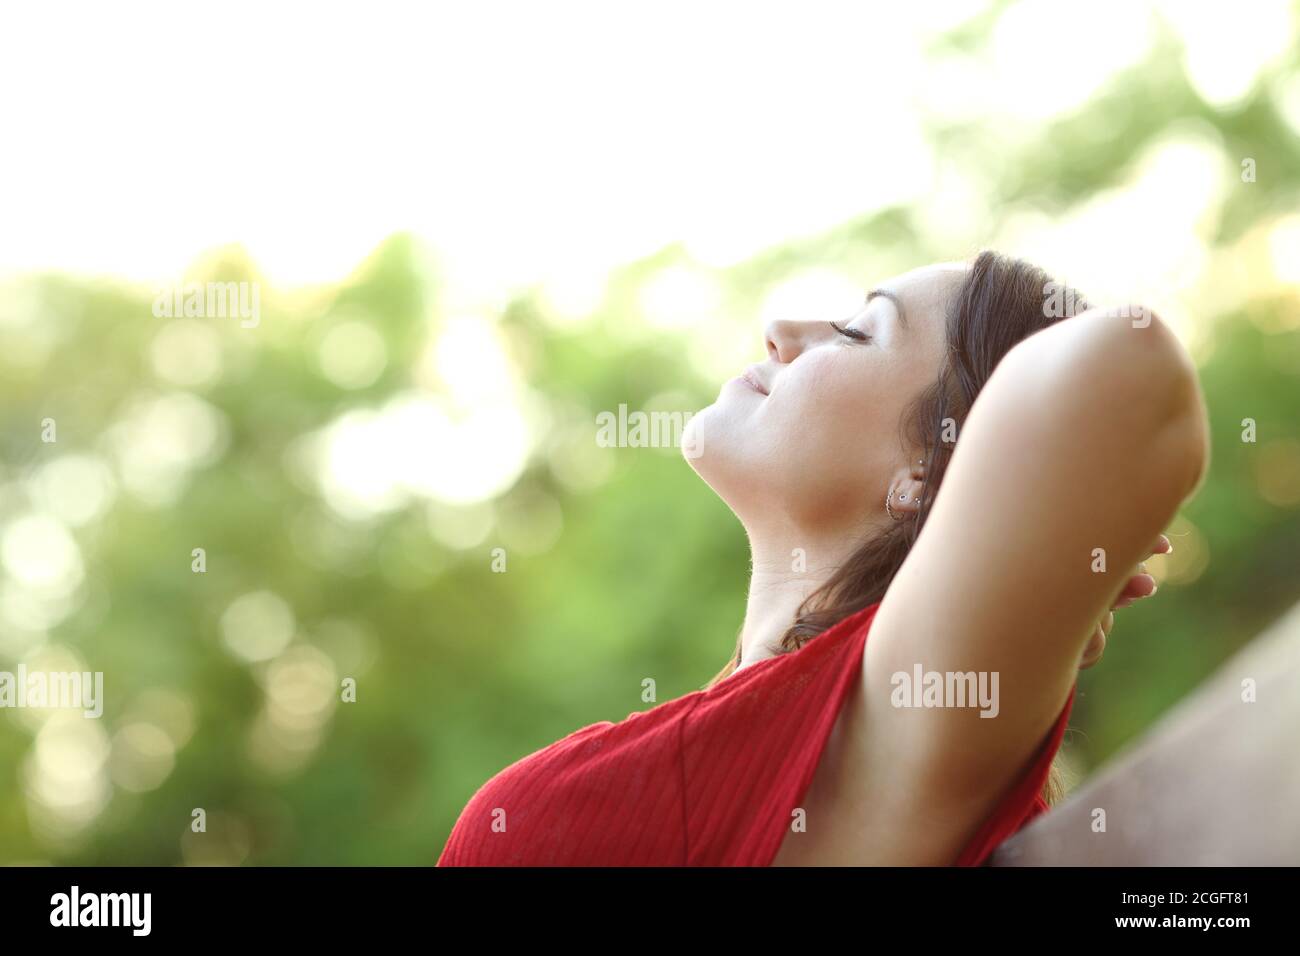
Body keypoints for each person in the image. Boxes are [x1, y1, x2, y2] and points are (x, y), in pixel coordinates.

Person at [437, 250, 1210, 866]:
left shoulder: (895, 715)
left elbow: (1129, 359)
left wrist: (1071, 545)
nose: (780, 327)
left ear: (927, 470)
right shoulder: (800, 726)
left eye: (855, 332)